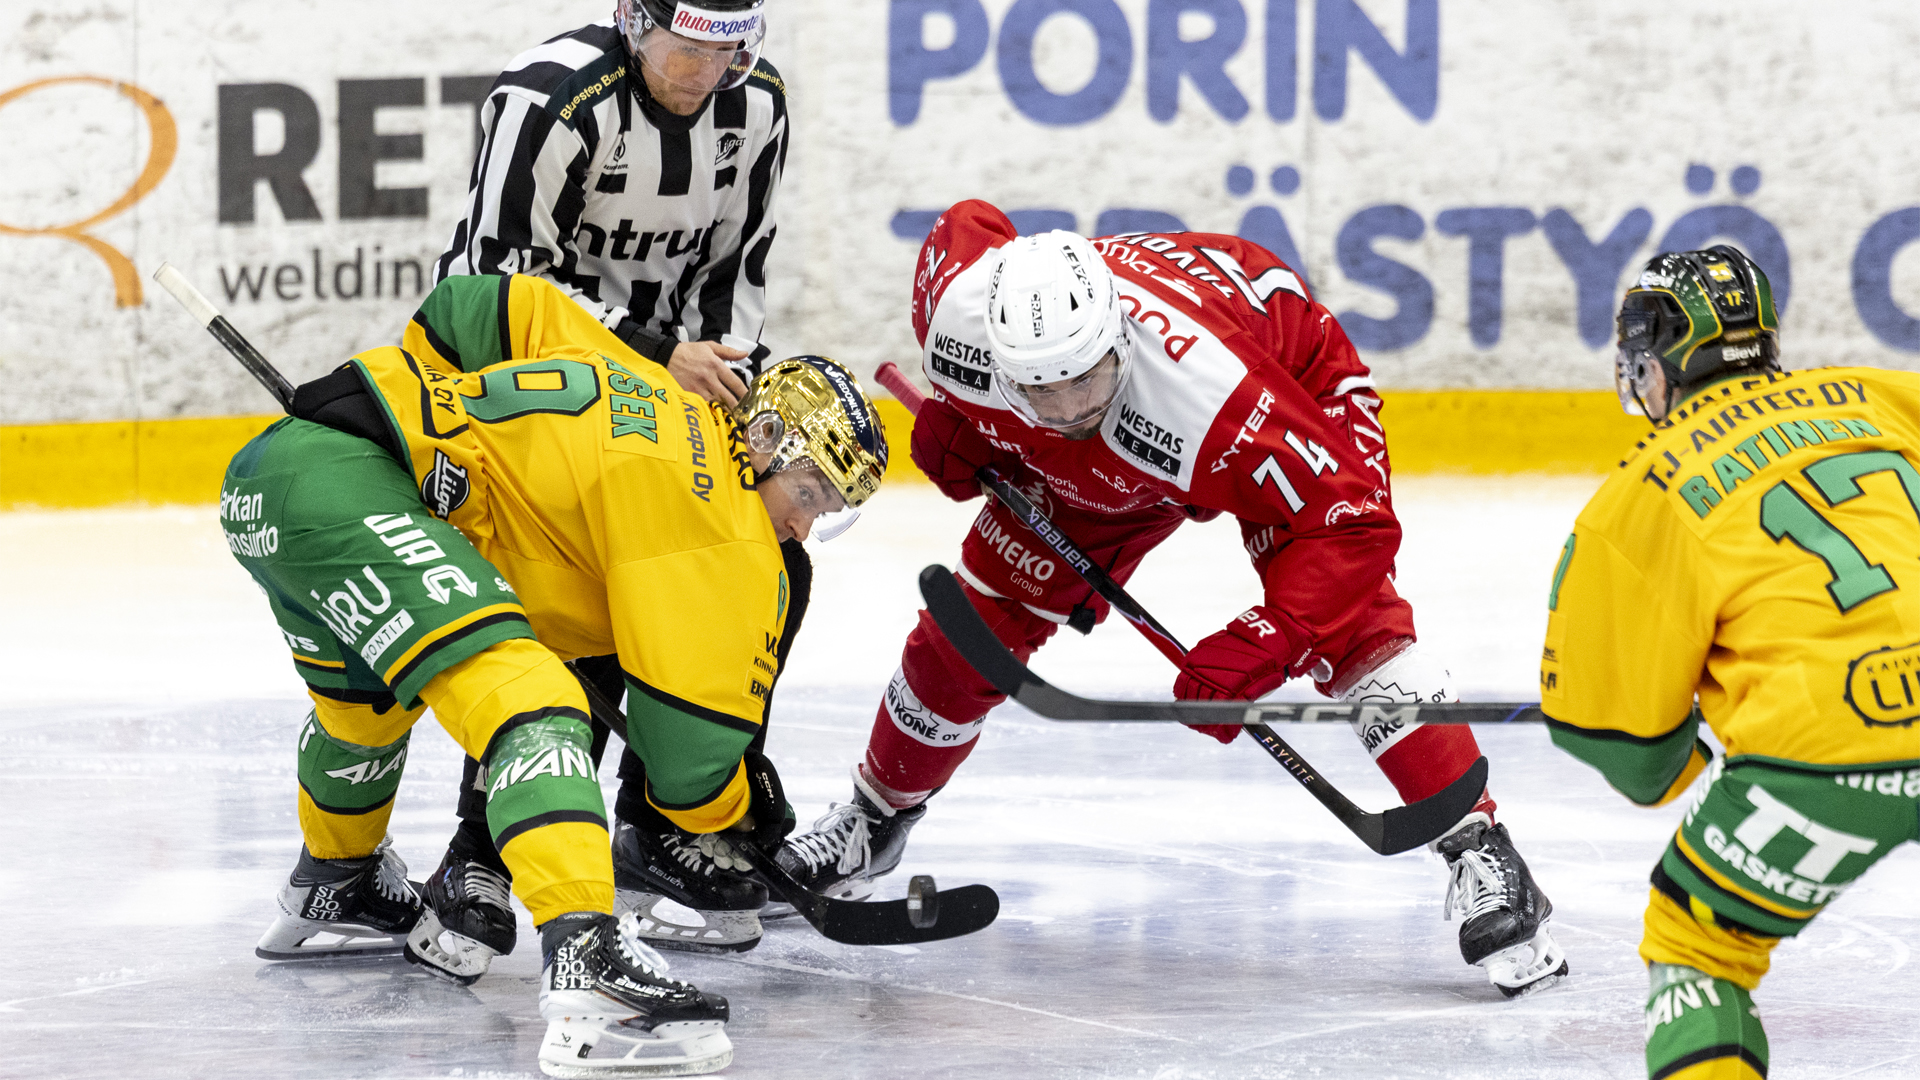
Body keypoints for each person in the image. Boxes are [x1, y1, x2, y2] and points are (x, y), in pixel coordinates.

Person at [775, 199, 1566, 996]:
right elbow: (968, 223)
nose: (1068, 410)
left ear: (1118, 338)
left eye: (1085, 379)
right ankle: (873, 823)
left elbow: (1352, 524)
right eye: (1039, 391)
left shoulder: (1212, 396)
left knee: (1348, 621)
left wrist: (1276, 634)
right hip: (1120, 455)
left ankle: (1479, 847)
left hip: (1288, 392)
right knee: (975, 624)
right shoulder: (960, 314)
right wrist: (968, 421)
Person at [228, 271, 887, 1077]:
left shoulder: (645, 377)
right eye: (811, 490)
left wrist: (425, 411)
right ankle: (586, 964)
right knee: (536, 696)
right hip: (354, 488)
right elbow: (684, 769)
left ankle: (337, 877)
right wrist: (744, 808)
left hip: (280, 476)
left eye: (828, 506)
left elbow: (467, 307)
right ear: (763, 440)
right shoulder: (729, 534)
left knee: (362, 710)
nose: (804, 522)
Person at [430, 0, 806, 964]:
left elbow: (736, 270)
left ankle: (669, 814)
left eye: (728, 49)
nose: (704, 71)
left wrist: (725, 382)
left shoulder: (753, 107)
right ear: (633, 25)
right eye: (687, 47)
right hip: (521, 377)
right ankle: (477, 850)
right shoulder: (548, 101)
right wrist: (654, 352)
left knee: (771, 562)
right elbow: (497, 278)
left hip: (664, 389)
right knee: (579, 590)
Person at [1545, 244, 1920, 1079]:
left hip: (1826, 754)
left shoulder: (1637, 495)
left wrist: (1689, 762)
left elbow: (1629, 751)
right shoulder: (1881, 397)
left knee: (1695, 951)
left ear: (1660, 359)